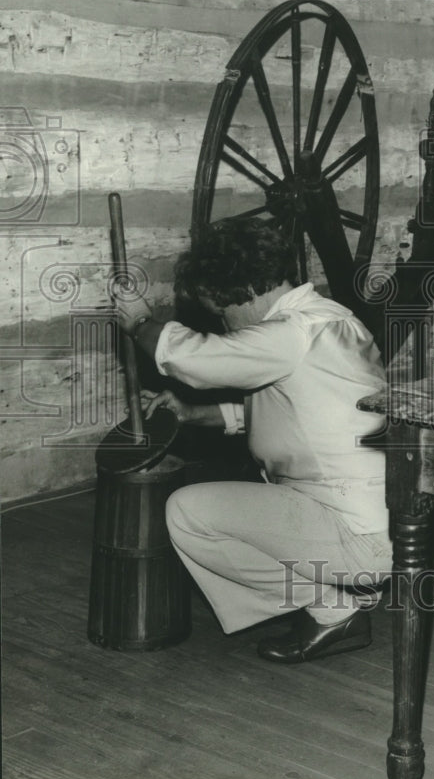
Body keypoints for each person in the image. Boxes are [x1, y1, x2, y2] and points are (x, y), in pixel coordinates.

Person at [115, 217, 392, 664]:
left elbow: (195, 359)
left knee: (188, 512)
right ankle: (350, 587)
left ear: (240, 290)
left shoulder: (290, 333)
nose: (225, 324)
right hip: (382, 524)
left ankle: (335, 609)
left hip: (358, 541)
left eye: (221, 312)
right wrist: (192, 414)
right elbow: (295, 415)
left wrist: (141, 323)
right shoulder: (331, 318)